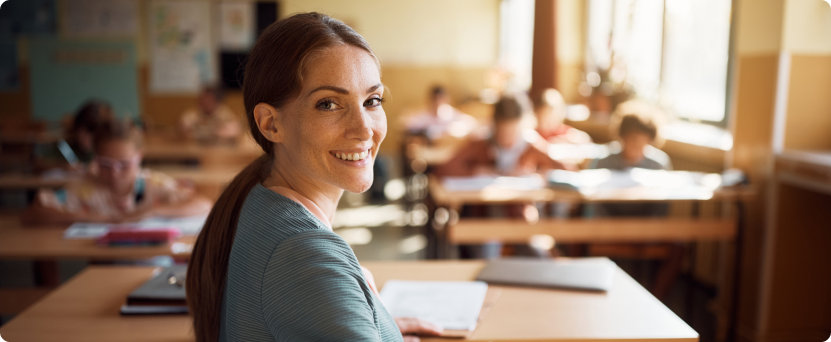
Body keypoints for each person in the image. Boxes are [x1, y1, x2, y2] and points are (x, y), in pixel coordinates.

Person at [186, 13, 442, 342]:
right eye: (328, 104)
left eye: (372, 100)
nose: (364, 128)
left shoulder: (259, 197)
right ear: (270, 124)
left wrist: (375, 323)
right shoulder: (303, 252)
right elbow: (302, 272)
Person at [22, 120, 213, 225]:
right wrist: (84, 216)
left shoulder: (152, 182)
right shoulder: (85, 186)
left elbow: (204, 205)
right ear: (95, 158)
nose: (114, 173)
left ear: (139, 157)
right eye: (105, 164)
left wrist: (152, 211)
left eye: (124, 164)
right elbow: (32, 214)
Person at [435, 94, 568, 177]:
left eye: (512, 132)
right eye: (502, 132)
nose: (507, 138)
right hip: (484, 214)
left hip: (519, 216)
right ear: (494, 126)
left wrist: (535, 174)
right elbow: (444, 169)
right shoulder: (481, 143)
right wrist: (475, 172)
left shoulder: (530, 144)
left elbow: (566, 170)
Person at [403, 85, 477, 141]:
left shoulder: (451, 113)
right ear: (430, 100)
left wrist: (452, 130)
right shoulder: (423, 114)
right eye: (435, 99)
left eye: (440, 99)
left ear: (447, 99)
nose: (438, 102)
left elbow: (470, 123)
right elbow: (407, 124)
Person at [66, 100, 113, 165]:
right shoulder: (66, 147)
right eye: (84, 133)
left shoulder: (109, 152)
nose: (87, 139)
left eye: (93, 134)